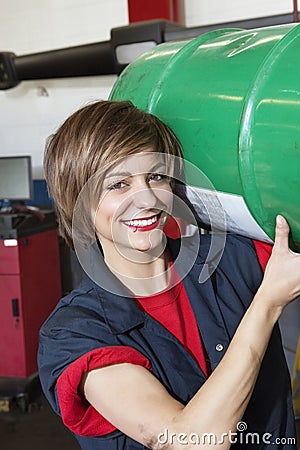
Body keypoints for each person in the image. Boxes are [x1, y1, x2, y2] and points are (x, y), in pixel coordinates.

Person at [38, 99, 299, 450]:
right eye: (118, 185)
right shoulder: (74, 334)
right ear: (79, 202)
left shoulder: (231, 256)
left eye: (156, 176)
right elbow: (190, 443)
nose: (146, 199)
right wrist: (267, 305)